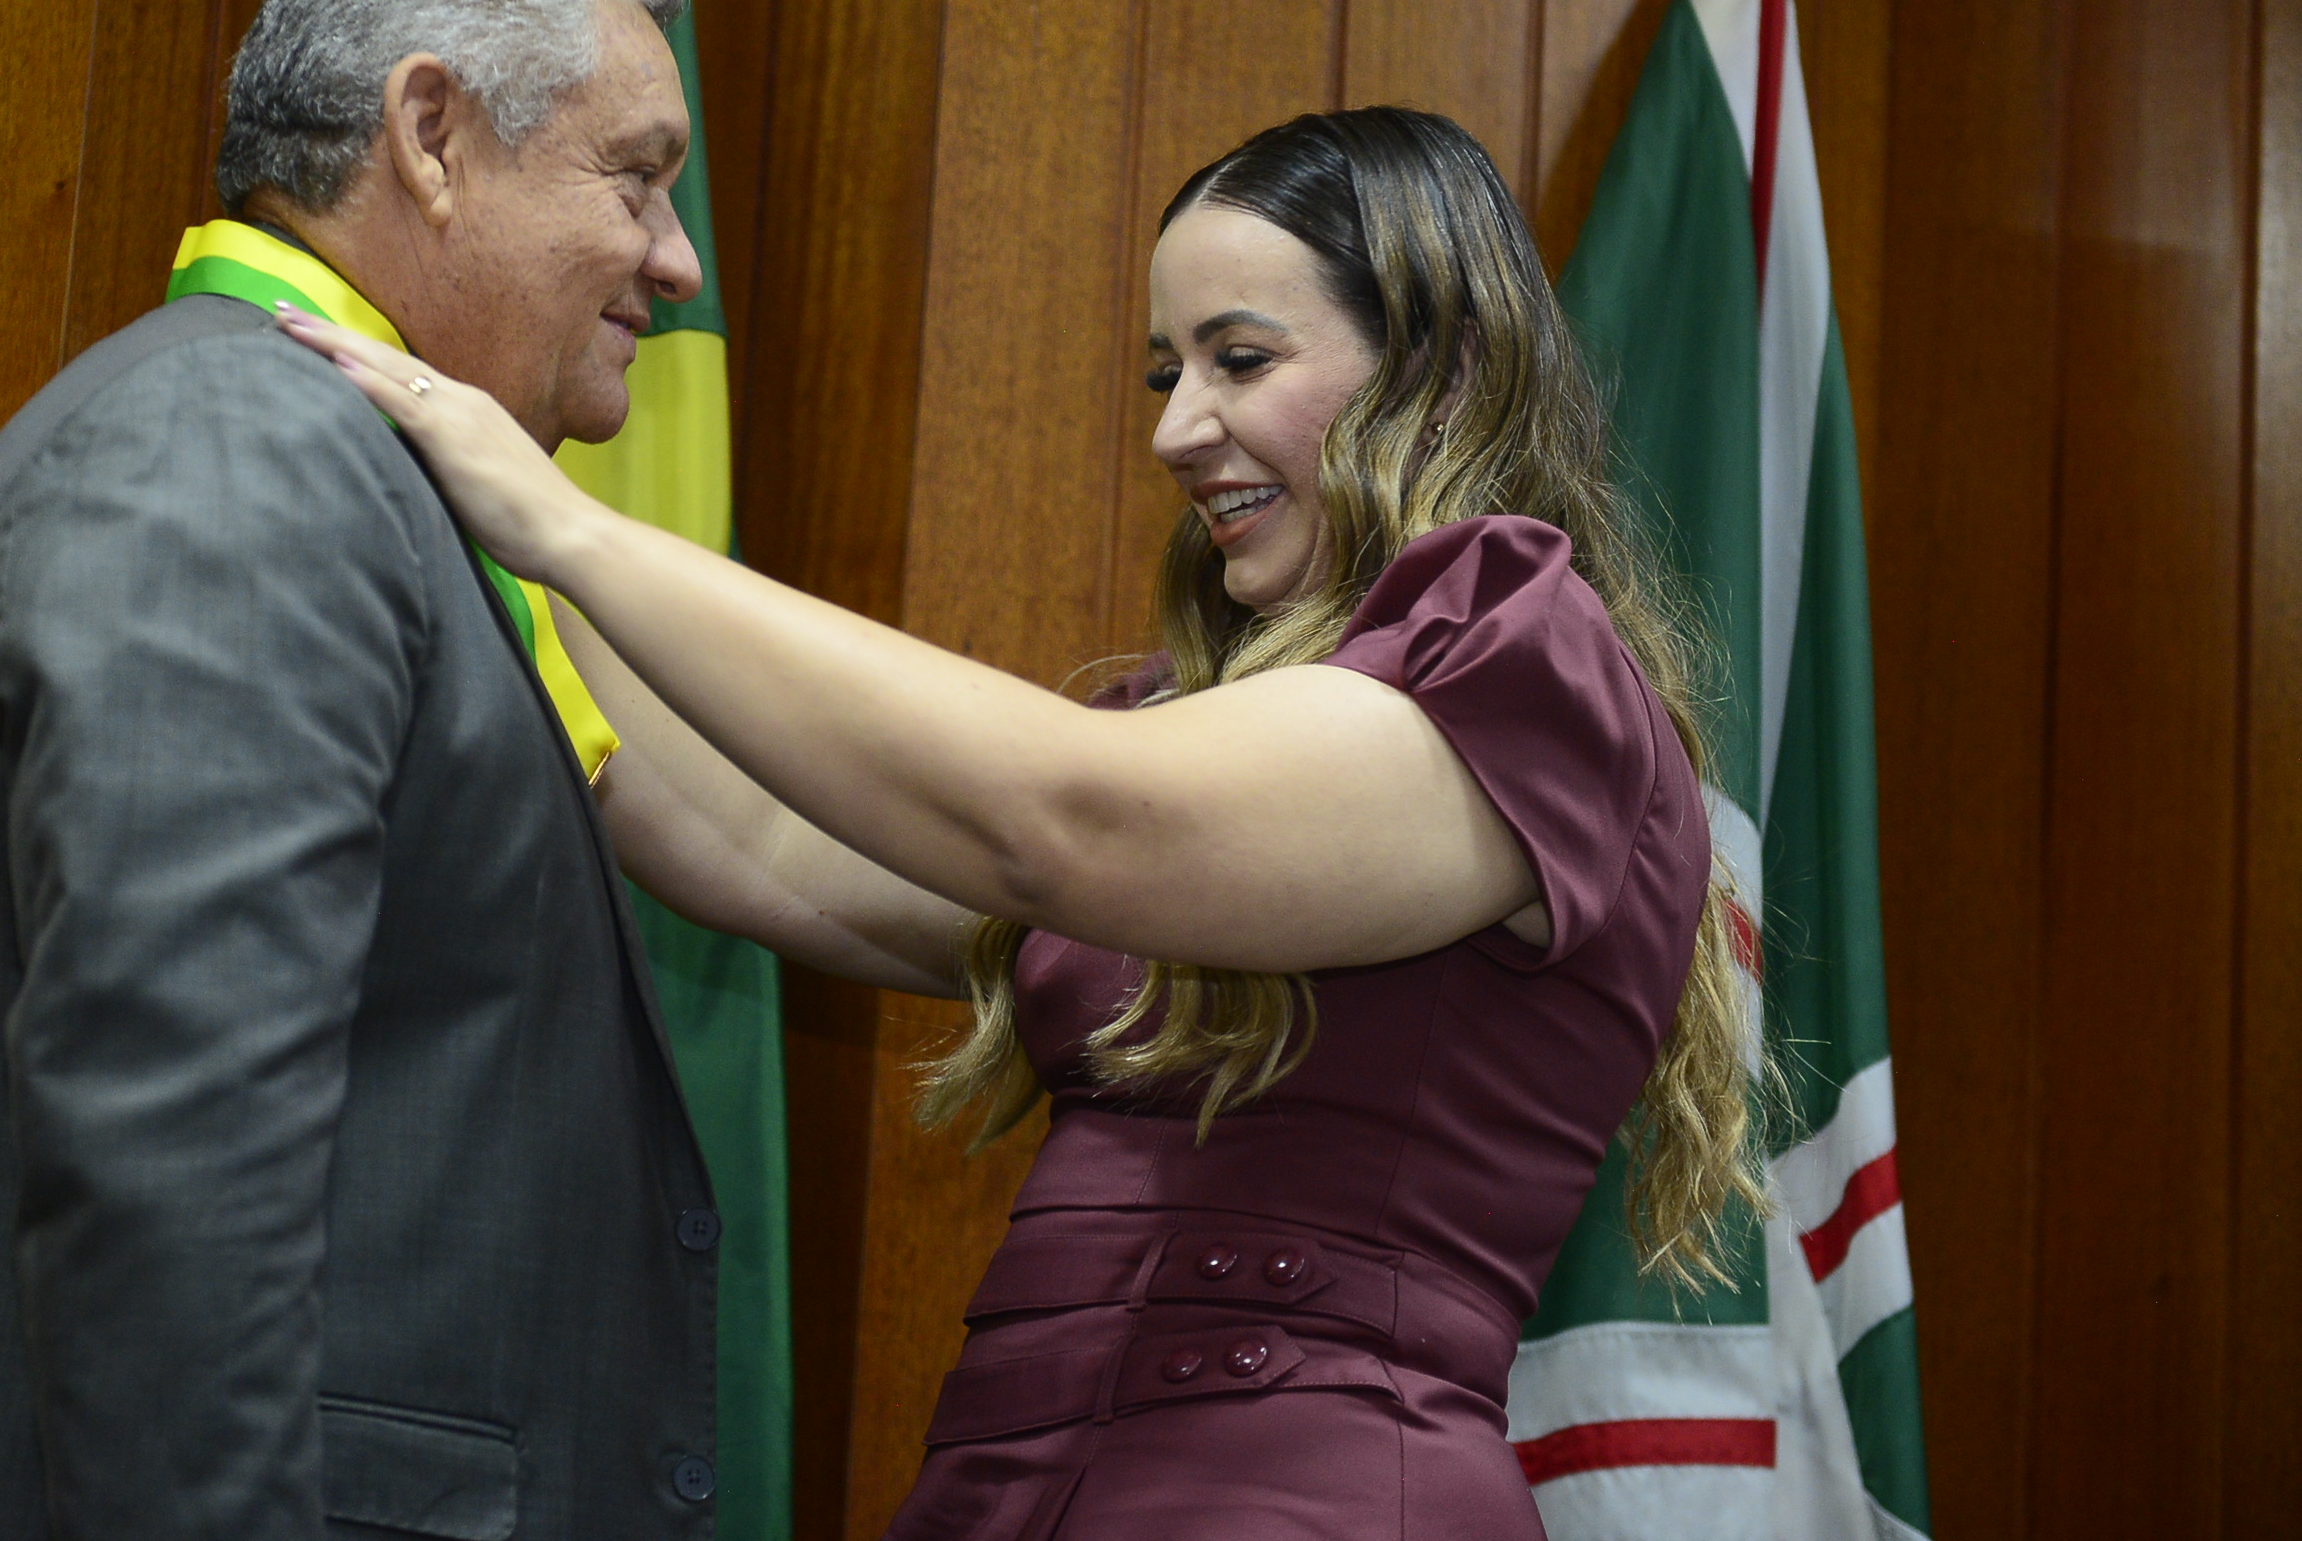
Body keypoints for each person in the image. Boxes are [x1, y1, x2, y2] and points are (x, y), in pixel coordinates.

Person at [278, 105, 1767, 1536]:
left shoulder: (1524, 661)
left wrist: (568, 528)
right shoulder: (1191, 720)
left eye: (1242, 359)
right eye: (1166, 372)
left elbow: (1068, 820)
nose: (1180, 428)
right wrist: (481, 494)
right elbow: (757, 835)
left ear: (1439, 368)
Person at [0, 0, 728, 1540]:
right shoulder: (240, 452)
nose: (675, 262)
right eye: (638, 178)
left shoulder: (337, 459)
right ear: (431, 134)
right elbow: (173, 1163)